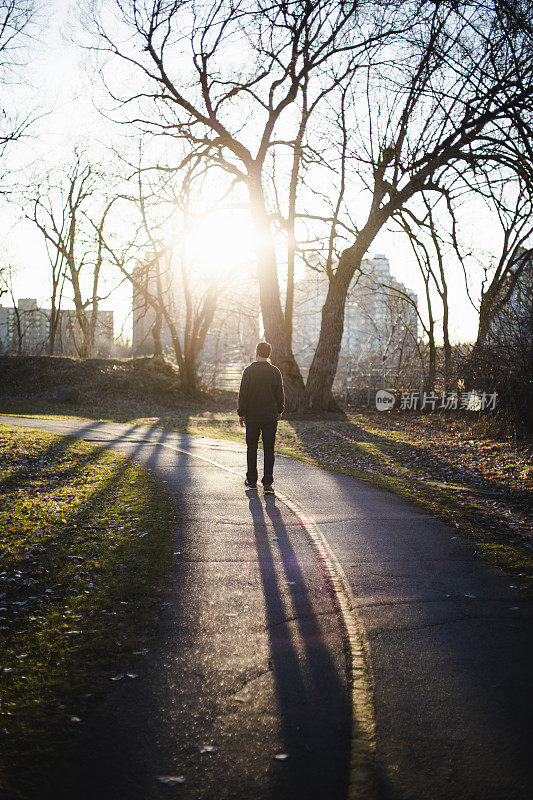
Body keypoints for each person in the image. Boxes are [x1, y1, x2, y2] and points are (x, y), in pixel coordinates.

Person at [238, 341, 284, 494]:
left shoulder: (249, 371)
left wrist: (241, 413)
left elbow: (243, 394)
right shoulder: (275, 372)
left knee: (252, 447)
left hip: (252, 416)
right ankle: (268, 483)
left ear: (256, 353)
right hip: (270, 416)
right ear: (269, 354)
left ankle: (251, 480)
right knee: (269, 449)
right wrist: (279, 410)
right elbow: (280, 394)